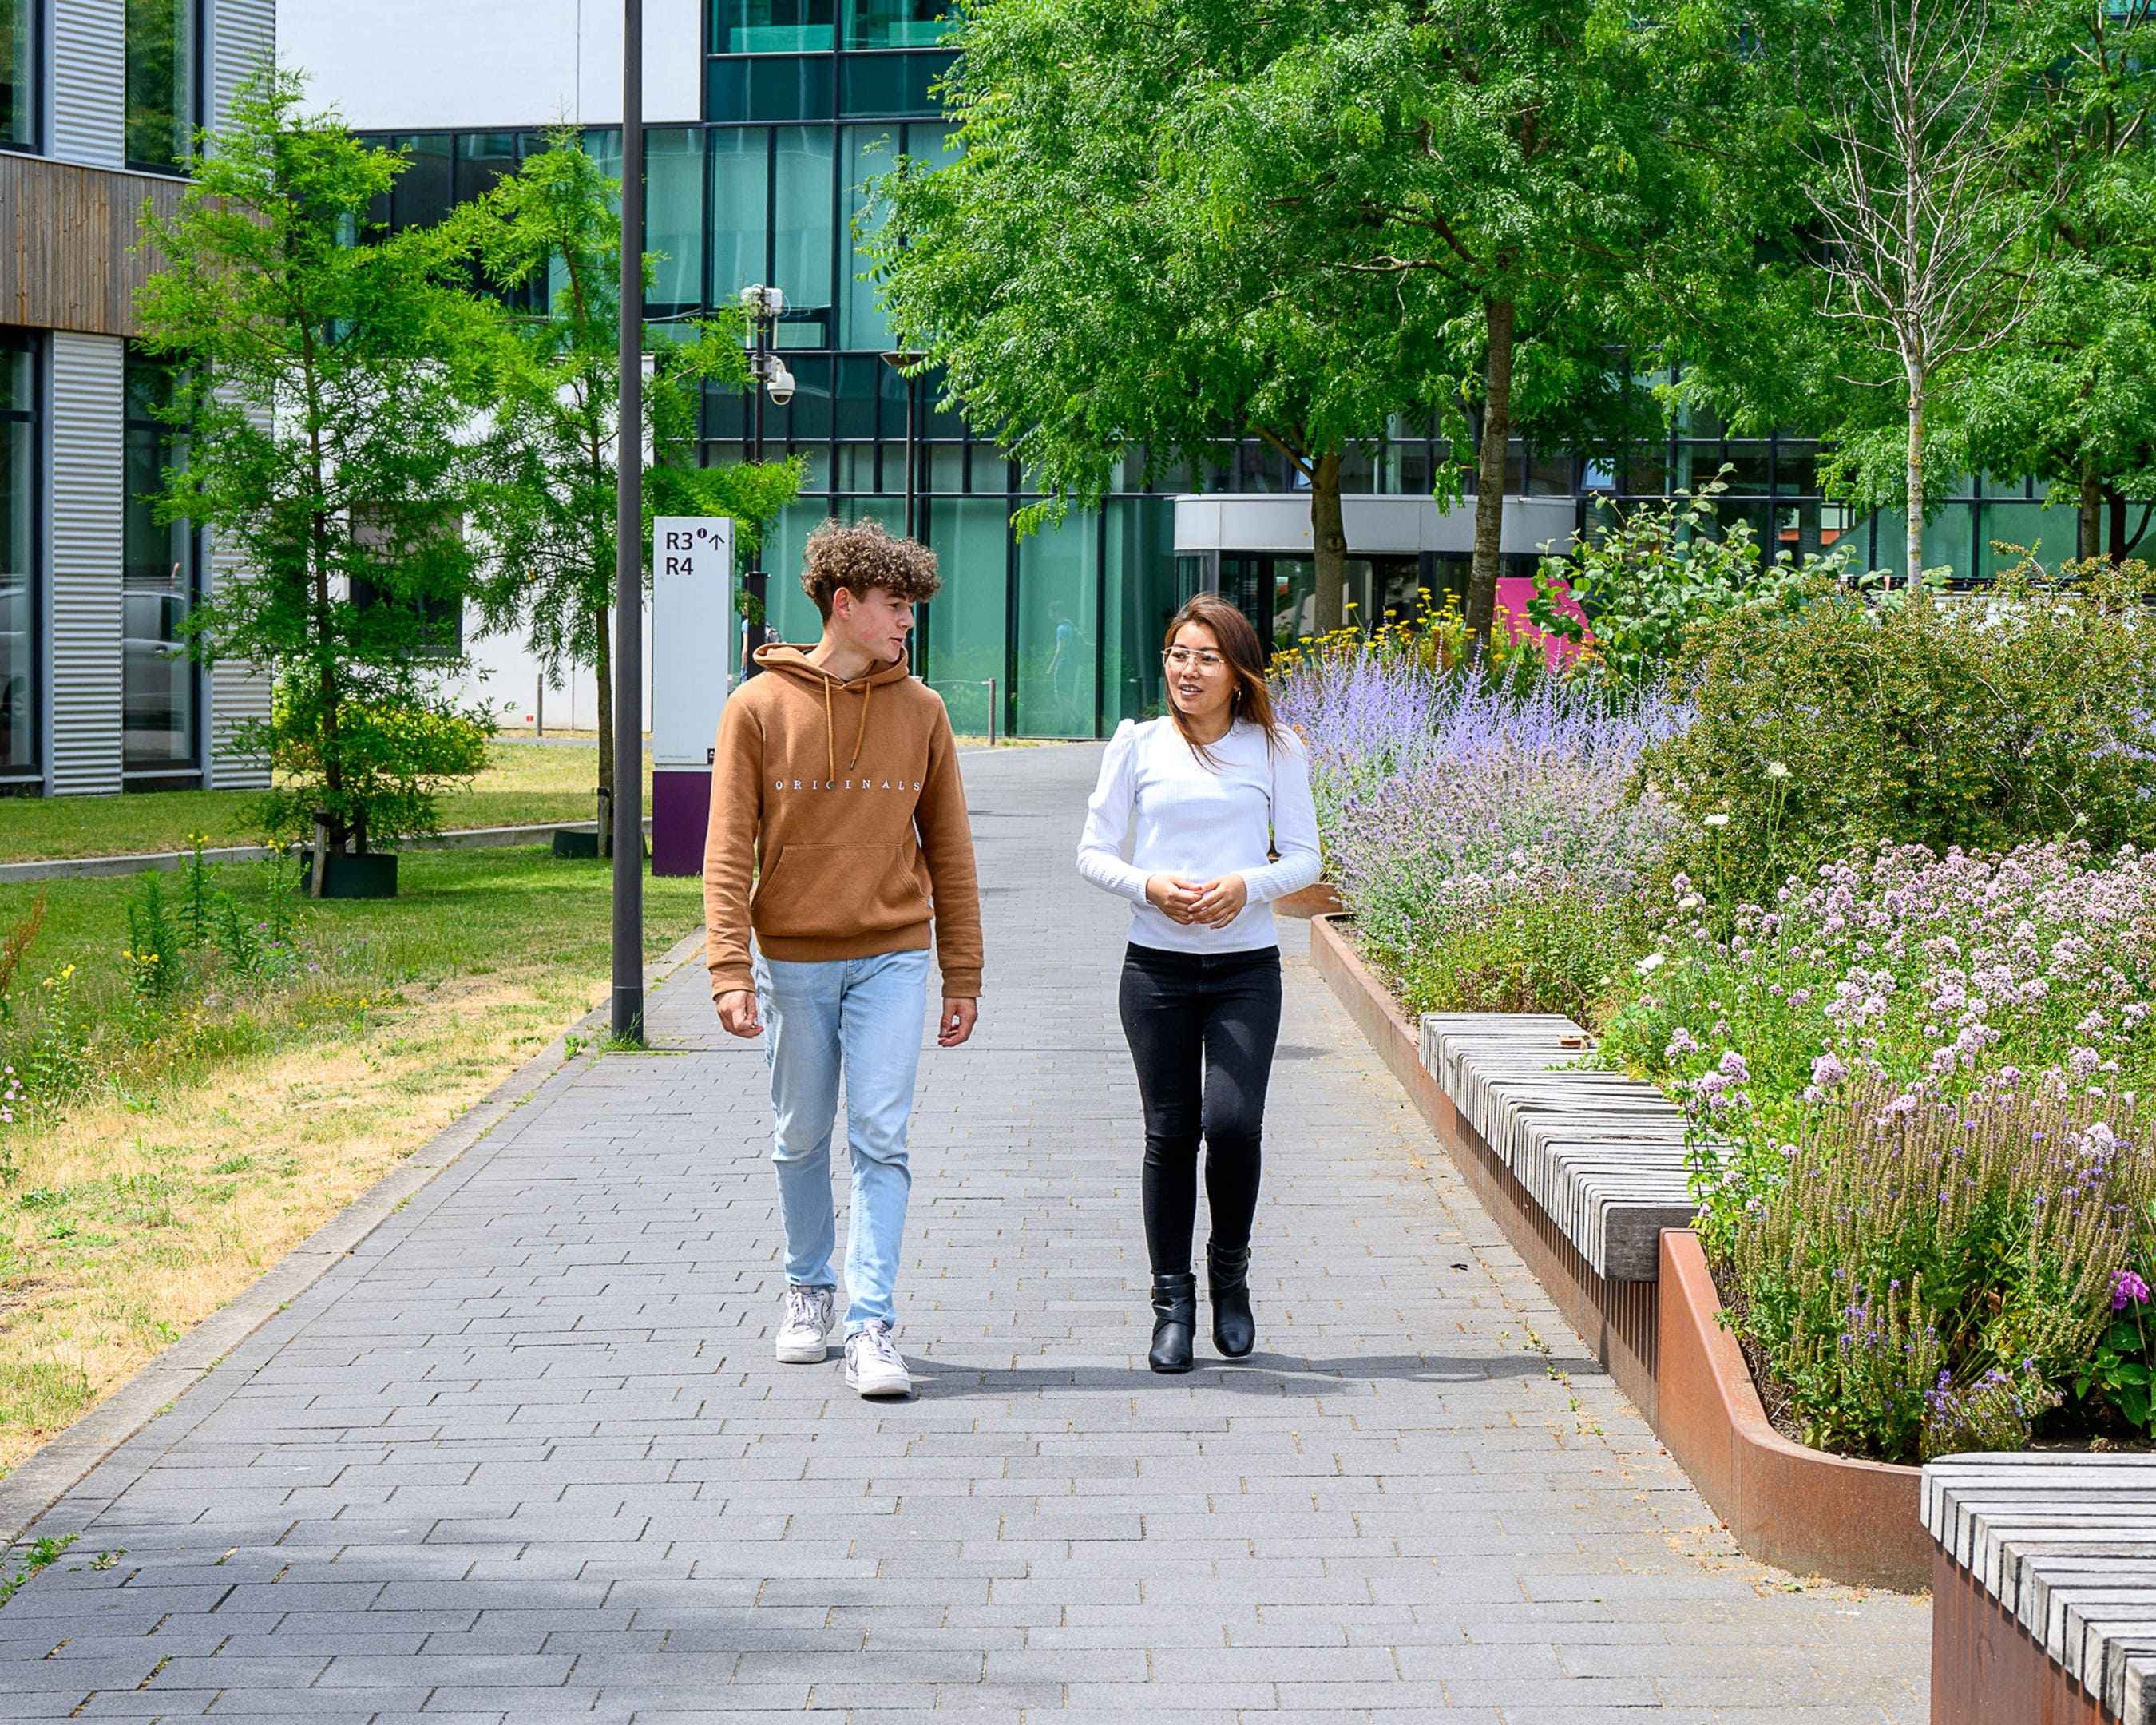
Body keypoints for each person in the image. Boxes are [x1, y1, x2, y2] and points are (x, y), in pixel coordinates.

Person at [704, 518, 983, 1400]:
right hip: (792, 959)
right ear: (843, 604)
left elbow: (951, 850)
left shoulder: (924, 711)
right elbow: (726, 851)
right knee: (800, 1135)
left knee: (881, 1139)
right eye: (896, 607)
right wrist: (727, 967)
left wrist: (962, 973)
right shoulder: (756, 708)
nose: (908, 623)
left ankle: (871, 1325)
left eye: (912, 609)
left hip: (894, 957)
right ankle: (807, 1290)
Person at [1076, 593, 1321, 1373]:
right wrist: (1148, 887)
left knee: (1237, 1124)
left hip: (1247, 969)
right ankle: (1171, 1305)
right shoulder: (1137, 745)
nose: (1187, 669)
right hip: (1156, 971)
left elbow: (1307, 858)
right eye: (1178, 654)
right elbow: (1093, 850)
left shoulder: (1276, 748)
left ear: (1238, 670)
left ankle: (1231, 1275)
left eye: (1206, 657)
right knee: (1170, 1135)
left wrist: (1248, 885)